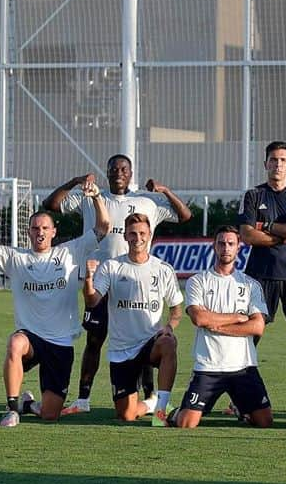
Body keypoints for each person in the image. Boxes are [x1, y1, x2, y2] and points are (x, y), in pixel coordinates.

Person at [45, 154, 191, 414]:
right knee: (94, 340)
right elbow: (51, 204)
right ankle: (83, 399)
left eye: (124, 169)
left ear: (131, 173)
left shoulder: (147, 201)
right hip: (102, 280)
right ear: (108, 172)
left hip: (137, 279)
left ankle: (151, 397)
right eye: (114, 169)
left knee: (144, 335)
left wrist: (166, 191)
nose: (119, 173)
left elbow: (185, 215)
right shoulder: (93, 196)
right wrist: (76, 181)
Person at [0, 184, 109, 427]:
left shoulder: (70, 252)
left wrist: (96, 197)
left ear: (54, 231)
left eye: (45, 228)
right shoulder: (16, 259)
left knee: (50, 415)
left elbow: (103, 227)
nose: (40, 232)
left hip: (61, 343)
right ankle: (12, 409)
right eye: (35, 228)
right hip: (31, 339)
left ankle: (28, 405)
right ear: (28, 232)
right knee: (15, 342)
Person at [169, 226, 273, 429]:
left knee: (265, 422)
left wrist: (217, 326)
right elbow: (199, 318)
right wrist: (236, 317)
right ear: (214, 246)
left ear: (238, 248)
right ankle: (173, 413)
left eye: (231, 244)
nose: (226, 248)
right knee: (186, 424)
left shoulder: (250, 284)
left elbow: (257, 326)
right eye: (222, 243)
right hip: (209, 366)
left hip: (243, 367)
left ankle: (241, 409)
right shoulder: (197, 281)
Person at [84, 212, 183, 425]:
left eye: (142, 233)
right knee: (126, 415)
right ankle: (152, 402)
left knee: (168, 342)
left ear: (149, 235)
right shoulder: (111, 267)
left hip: (151, 343)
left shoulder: (163, 269)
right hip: (121, 350)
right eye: (132, 234)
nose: (138, 238)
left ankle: (161, 412)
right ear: (126, 237)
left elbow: (176, 309)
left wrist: (169, 327)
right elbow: (93, 301)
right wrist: (89, 280)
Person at [239, 141, 286, 368]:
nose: (278, 164)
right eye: (273, 159)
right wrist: (285, 234)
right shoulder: (254, 195)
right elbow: (247, 235)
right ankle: (240, 398)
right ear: (265, 163)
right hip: (260, 275)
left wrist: (266, 226)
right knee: (249, 337)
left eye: (283, 160)